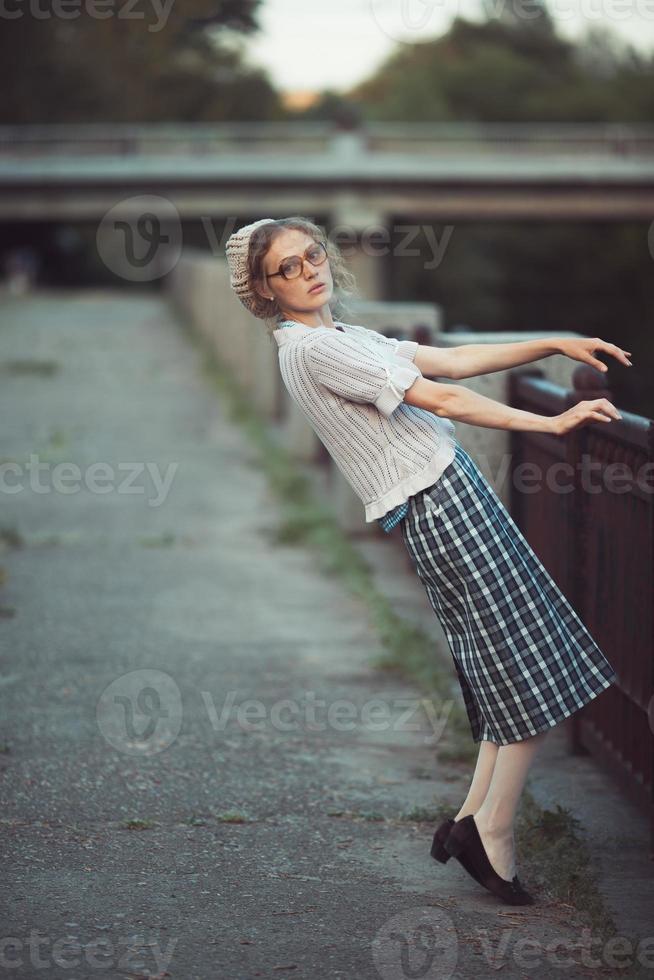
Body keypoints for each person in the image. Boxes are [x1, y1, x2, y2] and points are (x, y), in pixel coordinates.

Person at [225, 215, 629, 906]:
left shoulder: (338, 336)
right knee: (525, 667)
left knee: (510, 666)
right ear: (263, 292)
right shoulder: (315, 352)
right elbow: (438, 397)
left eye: (312, 255)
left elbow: (447, 362)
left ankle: (474, 820)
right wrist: (551, 422)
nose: (309, 271)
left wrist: (552, 341)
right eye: (286, 268)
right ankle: (493, 833)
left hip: (447, 496)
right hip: (441, 504)